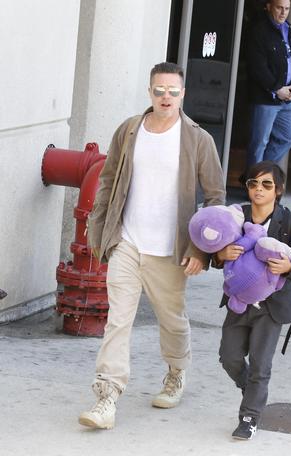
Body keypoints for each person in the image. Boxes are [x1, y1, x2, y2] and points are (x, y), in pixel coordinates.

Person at [80, 62, 226, 429]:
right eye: (159, 90)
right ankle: (107, 396)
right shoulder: (130, 130)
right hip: (127, 242)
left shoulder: (198, 140)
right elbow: (109, 178)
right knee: (117, 321)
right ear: (149, 91)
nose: (165, 97)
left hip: (170, 250)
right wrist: (101, 229)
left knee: (172, 321)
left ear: (183, 94)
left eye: (172, 92)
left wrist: (199, 250)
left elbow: (215, 199)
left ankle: (176, 372)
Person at [215, 161, 291, 440]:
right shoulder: (236, 216)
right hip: (239, 300)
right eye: (253, 183)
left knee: (260, 363)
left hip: (272, 306)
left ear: (278, 190)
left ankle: (249, 417)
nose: (258, 189)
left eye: (266, 184)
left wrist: (289, 268)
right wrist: (221, 255)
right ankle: (252, 390)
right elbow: (214, 251)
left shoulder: (288, 220)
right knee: (229, 356)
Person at [246, 0, 291, 168]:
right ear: (269, 7)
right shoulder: (259, 31)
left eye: (287, 9)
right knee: (259, 143)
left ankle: (258, 175)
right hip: (266, 98)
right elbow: (257, 67)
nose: (283, 13)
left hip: (288, 99)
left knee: (287, 138)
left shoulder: (288, 31)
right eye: (279, 8)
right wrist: (277, 89)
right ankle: (253, 186)